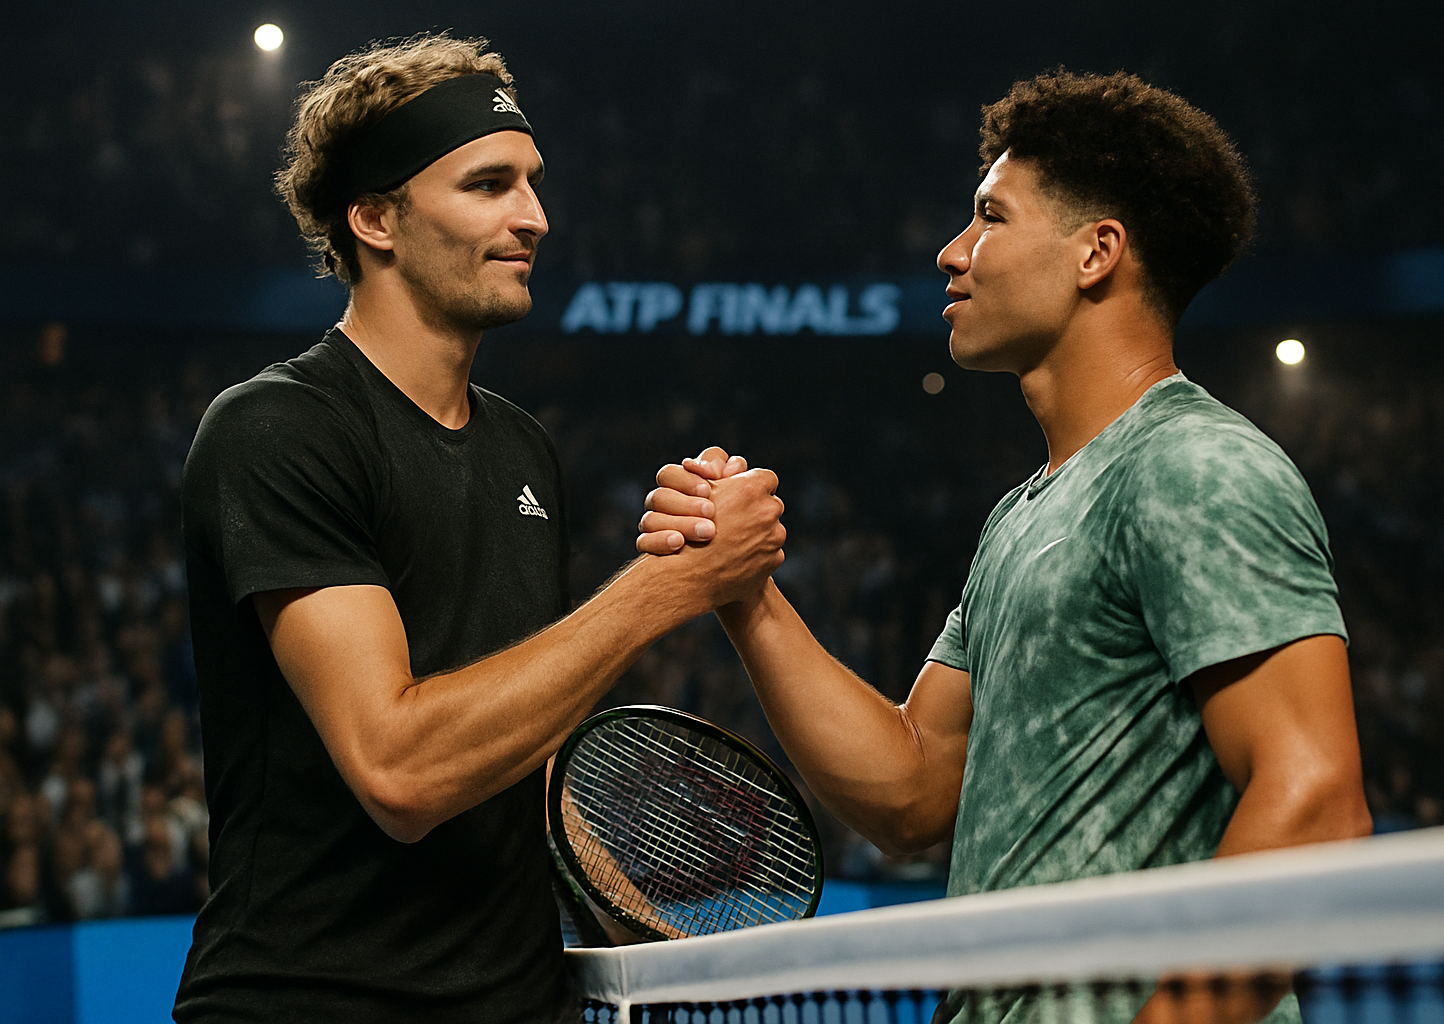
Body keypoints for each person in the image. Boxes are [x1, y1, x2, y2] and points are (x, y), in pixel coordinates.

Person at [638, 71, 1373, 1024]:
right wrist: (744, 593)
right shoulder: (1022, 516)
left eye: (990, 217)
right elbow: (911, 792)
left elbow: (1315, 803)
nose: (953, 253)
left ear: (1095, 253)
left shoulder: (1197, 465)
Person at [177, 34, 785, 1023]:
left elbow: (527, 758)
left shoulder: (524, 450)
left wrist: (649, 934)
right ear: (374, 217)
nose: (535, 217)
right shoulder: (276, 428)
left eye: (533, 184)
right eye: (489, 184)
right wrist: (661, 586)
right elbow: (403, 769)